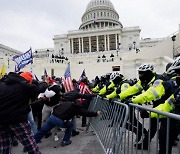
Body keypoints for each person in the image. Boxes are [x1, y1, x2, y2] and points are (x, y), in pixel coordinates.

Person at [0, 72, 47, 154]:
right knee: (29, 142)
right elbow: (41, 88)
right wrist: (45, 81)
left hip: (1, 120)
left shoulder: (2, 85)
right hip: (17, 119)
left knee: (4, 145)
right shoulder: (24, 86)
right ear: (28, 80)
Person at [117, 64, 163, 143]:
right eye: (140, 73)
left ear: (148, 73)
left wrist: (133, 100)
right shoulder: (143, 81)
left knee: (165, 130)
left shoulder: (158, 80)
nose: (140, 75)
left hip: (168, 104)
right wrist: (119, 96)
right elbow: (132, 89)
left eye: (142, 73)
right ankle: (145, 143)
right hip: (157, 104)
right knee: (153, 126)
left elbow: (150, 94)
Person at [34, 93, 100, 147]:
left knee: (43, 130)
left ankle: (32, 143)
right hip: (59, 120)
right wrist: (96, 113)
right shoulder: (76, 108)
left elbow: (56, 107)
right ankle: (65, 141)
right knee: (70, 126)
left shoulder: (67, 103)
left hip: (52, 116)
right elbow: (86, 113)